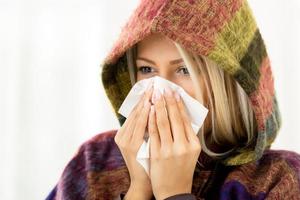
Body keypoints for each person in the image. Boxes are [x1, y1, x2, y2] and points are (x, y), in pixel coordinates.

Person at [46, 0, 300, 199]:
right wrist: (139, 191)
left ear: (229, 84)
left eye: (184, 70)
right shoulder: (94, 162)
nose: (161, 88)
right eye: (147, 70)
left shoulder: (280, 179)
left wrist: (173, 193)